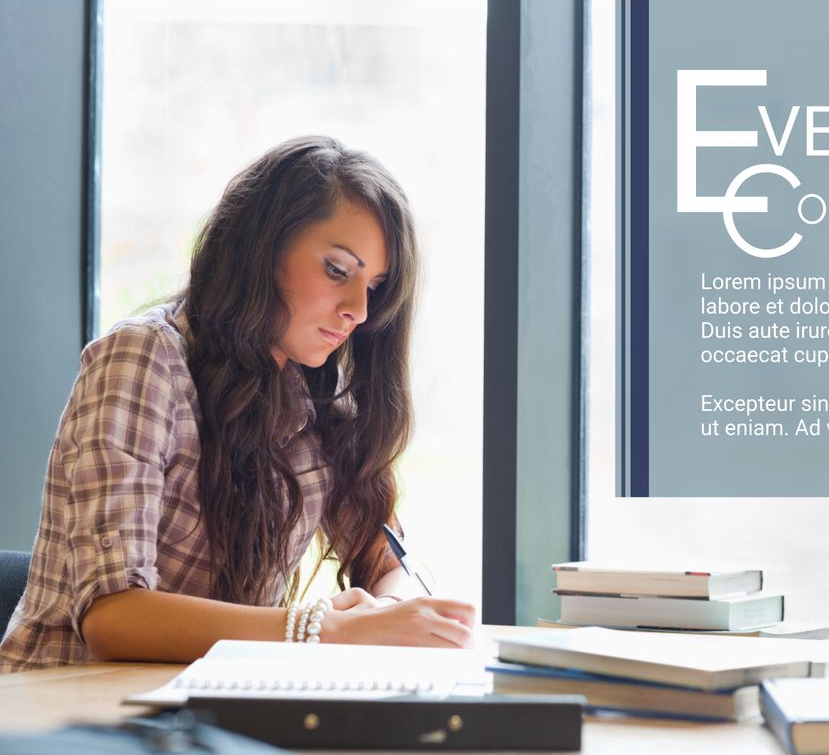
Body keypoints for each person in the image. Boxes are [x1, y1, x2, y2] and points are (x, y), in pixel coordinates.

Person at [0, 136, 475, 672]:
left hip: (203, 720)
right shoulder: (144, 358)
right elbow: (112, 616)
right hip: (65, 722)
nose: (358, 311)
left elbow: (387, 560)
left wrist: (389, 612)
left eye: (376, 287)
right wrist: (325, 628)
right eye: (338, 270)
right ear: (263, 250)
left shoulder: (312, 398)